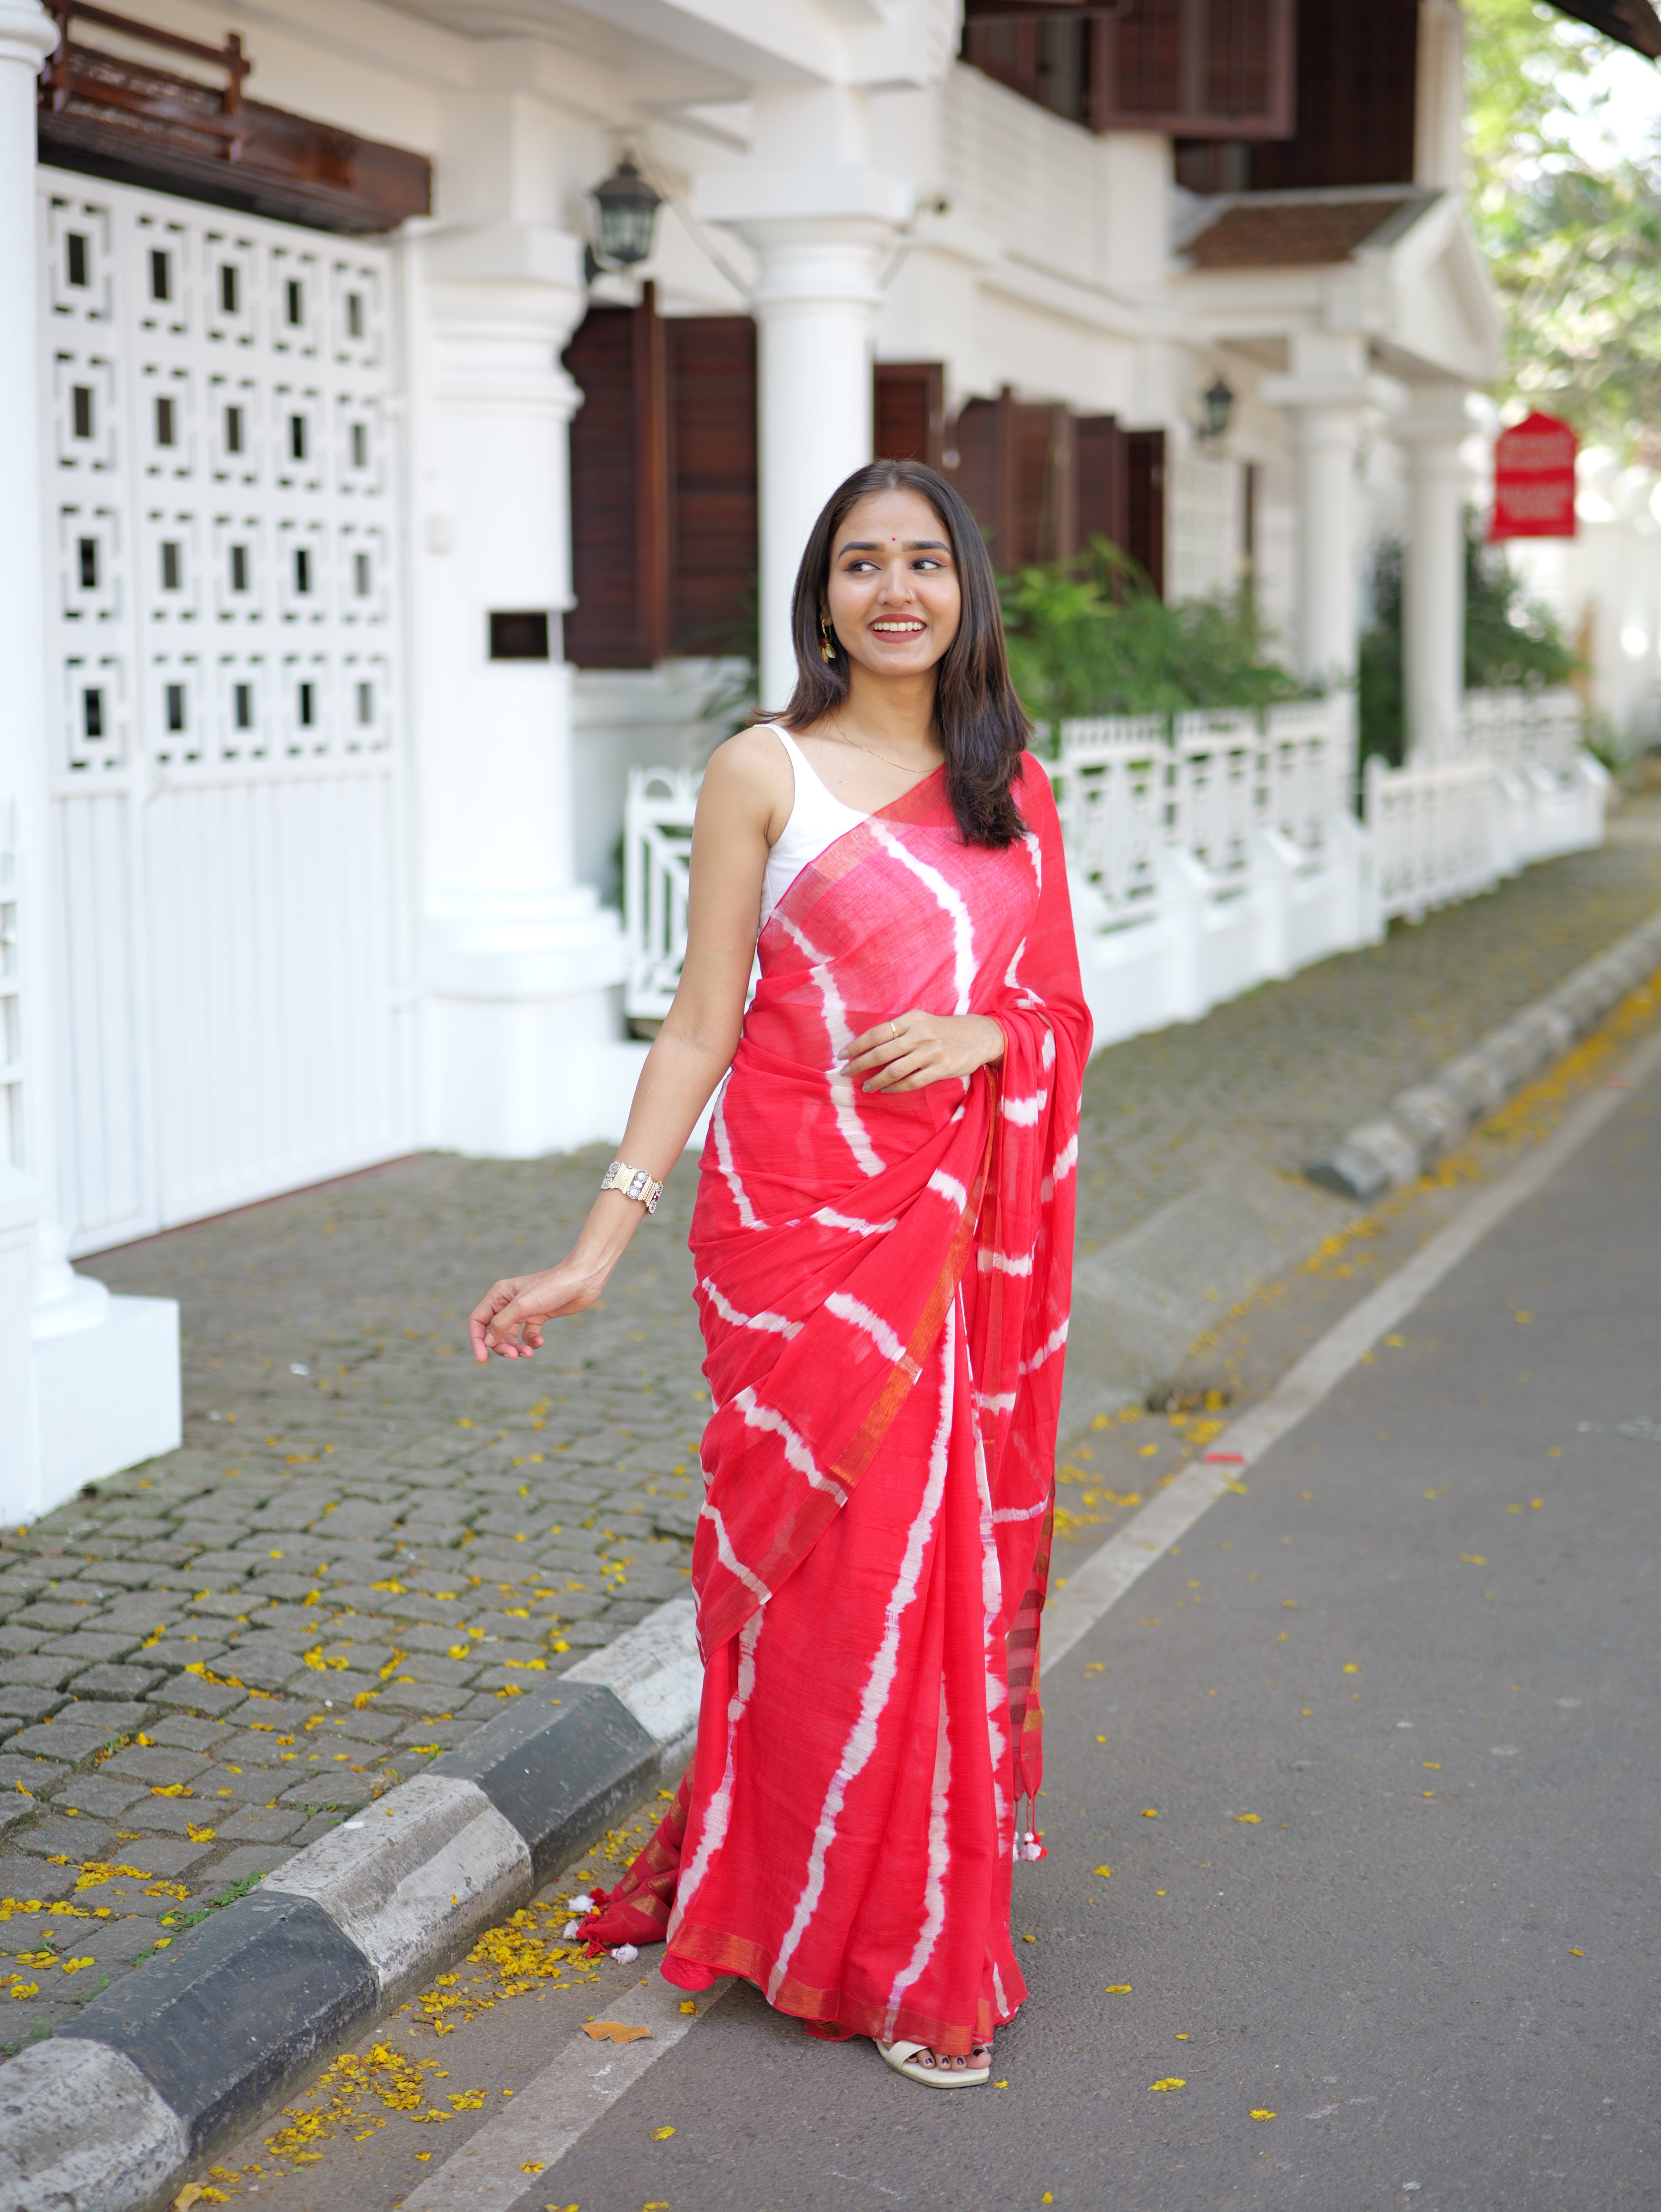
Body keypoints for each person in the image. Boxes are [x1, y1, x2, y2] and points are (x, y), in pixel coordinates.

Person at [469, 458, 1091, 2087]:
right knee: (810, 1584)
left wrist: (990, 1035)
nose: (896, 590)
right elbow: (701, 1020)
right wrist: (596, 1246)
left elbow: (1058, 1012)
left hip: (942, 1228)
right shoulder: (763, 768)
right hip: (790, 1224)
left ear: (965, 590)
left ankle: (904, 1944)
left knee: (912, 1579)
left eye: (924, 561)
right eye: (861, 563)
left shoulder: (1014, 789)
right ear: (821, 597)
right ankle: (798, 1898)